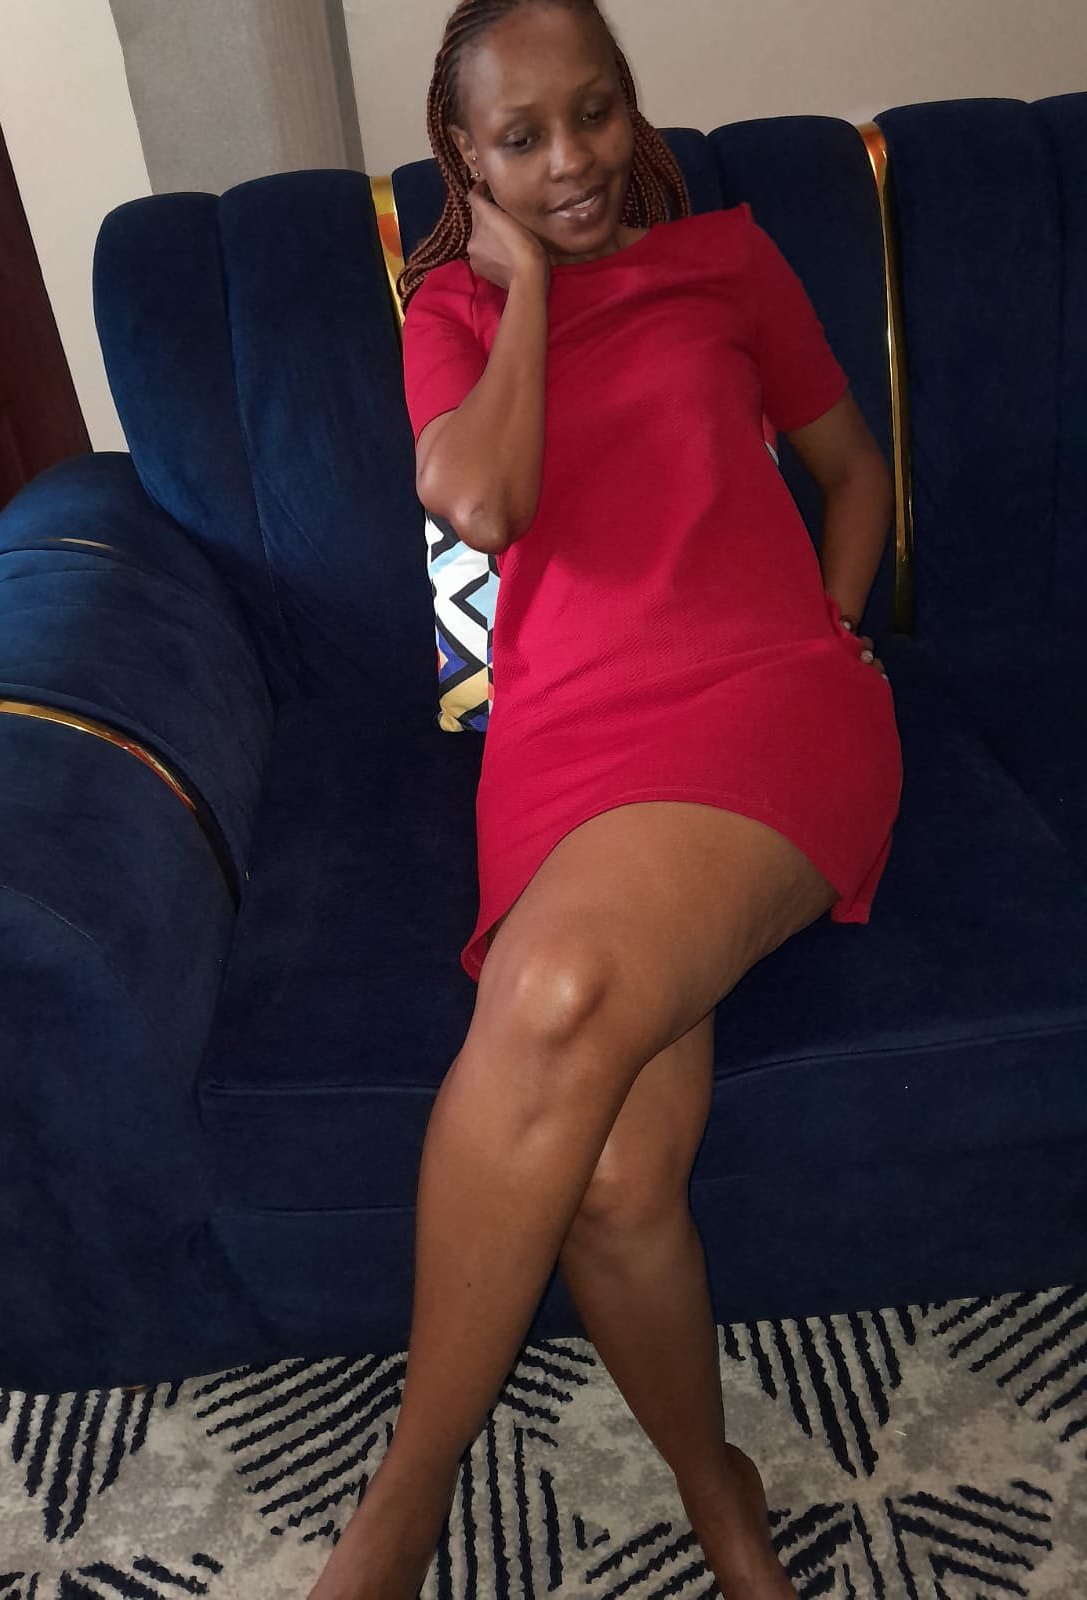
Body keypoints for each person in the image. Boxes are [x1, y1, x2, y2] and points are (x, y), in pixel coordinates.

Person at [308, 1, 902, 1595]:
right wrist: (524, 293)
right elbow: (482, 499)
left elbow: (856, 473)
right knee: (619, 1180)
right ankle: (719, 1492)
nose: (573, 159)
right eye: (523, 137)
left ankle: (403, 1504)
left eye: (596, 113)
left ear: (631, 109)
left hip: (765, 703)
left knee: (555, 992)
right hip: (567, 745)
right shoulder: (448, 311)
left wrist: (837, 625)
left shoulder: (730, 264)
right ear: (466, 156)